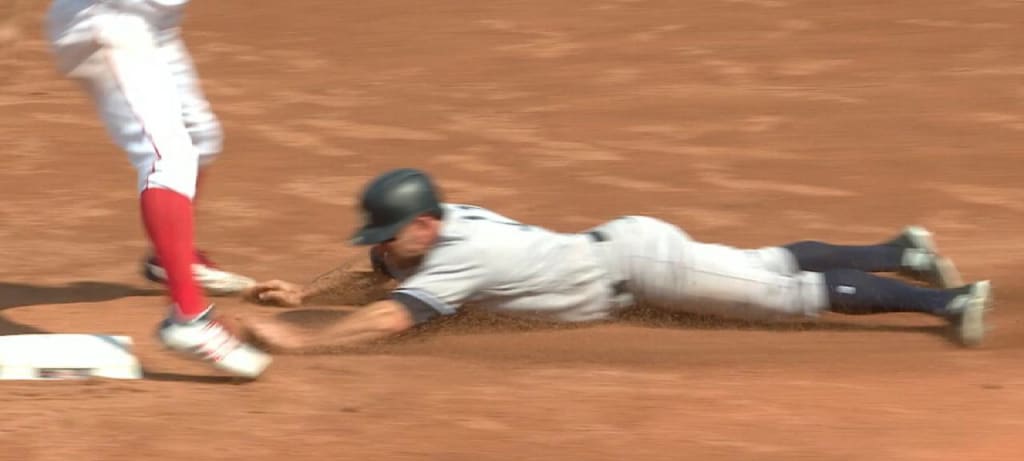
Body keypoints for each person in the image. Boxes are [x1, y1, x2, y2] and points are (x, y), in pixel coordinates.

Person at [239, 168, 992, 353]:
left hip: (644, 268)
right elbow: (377, 272)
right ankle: (903, 251)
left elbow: (388, 313)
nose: (383, 243)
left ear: (425, 224)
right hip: (628, 247)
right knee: (768, 263)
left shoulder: (459, 257)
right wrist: (302, 291)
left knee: (785, 296)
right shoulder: (436, 233)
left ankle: (945, 304)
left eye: (393, 230)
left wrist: (303, 338)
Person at [46, 0, 270, 378]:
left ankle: (169, 260)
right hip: (108, 24)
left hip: (157, 23)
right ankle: (188, 318)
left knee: (202, 138)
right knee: (168, 158)